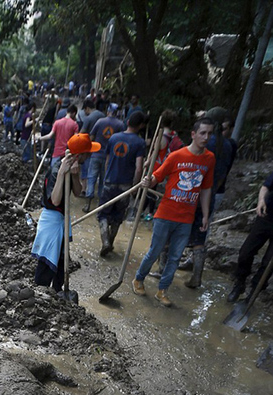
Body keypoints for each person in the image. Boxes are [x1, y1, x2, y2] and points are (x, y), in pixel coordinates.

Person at [132, 116, 215, 307]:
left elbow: (206, 189)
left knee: (175, 257)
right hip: (165, 214)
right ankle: (138, 279)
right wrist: (147, 180)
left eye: (209, 133)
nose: (206, 137)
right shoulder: (177, 156)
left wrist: (204, 215)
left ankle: (162, 290)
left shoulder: (209, 159)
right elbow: (157, 176)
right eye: (203, 133)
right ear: (193, 134)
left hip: (187, 218)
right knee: (155, 251)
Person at [32, 133, 101, 303]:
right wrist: (63, 173)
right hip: (51, 222)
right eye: (88, 153)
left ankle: (57, 294)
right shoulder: (57, 170)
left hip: (62, 219)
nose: (90, 155)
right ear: (79, 155)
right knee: (47, 263)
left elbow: (77, 192)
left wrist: (75, 174)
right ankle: (38, 297)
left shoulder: (74, 166)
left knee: (62, 262)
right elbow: (55, 200)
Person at [183, 107, 235, 289]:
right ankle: (197, 275)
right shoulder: (229, 145)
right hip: (211, 194)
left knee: (175, 232)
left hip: (191, 194)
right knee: (200, 237)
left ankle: (163, 270)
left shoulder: (205, 144)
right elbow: (223, 175)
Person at [96, 111, 145, 256]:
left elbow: (107, 160)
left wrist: (106, 178)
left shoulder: (113, 138)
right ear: (141, 126)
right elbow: (139, 168)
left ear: (128, 122)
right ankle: (110, 242)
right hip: (125, 185)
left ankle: (105, 241)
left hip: (110, 182)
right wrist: (135, 186)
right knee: (118, 216)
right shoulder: (139, 143)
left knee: (103, 213)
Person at [227, 173, 273, 303]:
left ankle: (254, 291)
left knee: (268, 263)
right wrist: (261, 200)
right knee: (245, 253)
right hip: (266, 215)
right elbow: (265, 187)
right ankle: (239, 283)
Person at [84, 103, 124, 208]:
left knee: (91, 177)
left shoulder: (100, 121)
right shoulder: (120, 125)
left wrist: (87, 151)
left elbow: (91, 137)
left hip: (96, 154)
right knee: (103, 179)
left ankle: (88, 204)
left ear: (108, 111)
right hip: (109, 157)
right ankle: (100, 205)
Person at [40, 104, 78, 168]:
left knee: (54, 174)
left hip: (57, 153)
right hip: (67, 154)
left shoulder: (57, 122)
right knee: (66, 176)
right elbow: (76, 140)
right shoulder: (74, 125)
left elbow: (50, 136)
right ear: (74, 113)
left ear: (67, 112)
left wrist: (39, 138)